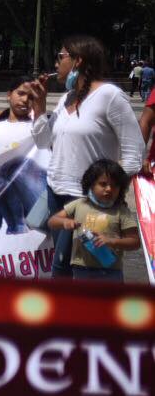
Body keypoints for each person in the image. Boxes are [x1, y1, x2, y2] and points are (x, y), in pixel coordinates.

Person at [18, 35, 142, 278]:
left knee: (75, 267)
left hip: (87, 201)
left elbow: (133, 154)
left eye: (60, 57)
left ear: (78, 61)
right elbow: (44, 142)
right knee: (65, 264)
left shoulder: (110, 96)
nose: (55, 64)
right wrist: (40, 107)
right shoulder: (67, 99)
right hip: (56, 192)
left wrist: (105, 192)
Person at [46, 159, 138, 281]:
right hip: (81, 270)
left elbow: (135, 242)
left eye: (115, 185)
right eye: (103, 184)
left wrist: (111, 241)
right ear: (91, 184)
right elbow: (52, 221)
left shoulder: (121, 211)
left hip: (110, 272)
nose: (109, 189)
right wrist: (65, 222)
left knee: (109, 301)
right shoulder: (79, 204)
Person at [0, 84, 36, 156]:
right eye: (21, 94)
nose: (25, 99)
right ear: (9, 95)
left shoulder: (37, 129)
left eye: (31, 97)